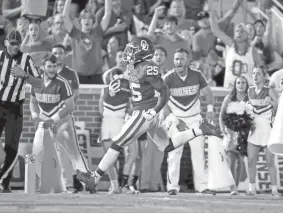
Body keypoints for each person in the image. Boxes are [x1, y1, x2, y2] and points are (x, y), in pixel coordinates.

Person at [76, 36, 223, 193]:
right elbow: (132, 78)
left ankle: (94, 179)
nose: (129, 53)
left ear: (142, 52)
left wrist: (154, 111)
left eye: (133, 50)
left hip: (144, 112)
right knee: (167, 145)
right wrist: (119, 82)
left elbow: (164, 92)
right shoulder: (134, 66)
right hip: (145, 112)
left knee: (116, 143)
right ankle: (200, 130)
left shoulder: (149, 67)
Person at [163, 48, 215, 195]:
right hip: (176, 119)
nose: (179, 62)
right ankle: (172, 187)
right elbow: (162, 104)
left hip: (195, 119)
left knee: (198, 153)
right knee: (174, 154)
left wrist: (210, 109)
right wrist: (175, 120)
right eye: (176, 59)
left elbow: (208, 93)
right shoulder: (168, 78)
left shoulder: (197, 75)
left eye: (182, 59)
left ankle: (203, 186)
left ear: (188, 60)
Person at [0, 29, 43, 193]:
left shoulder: (26, 59)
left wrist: (24, 75)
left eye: (18, 44)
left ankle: (4, 182)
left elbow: (40, 83)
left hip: (15, 108)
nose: (15, 47)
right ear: (6, 43)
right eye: (12, 44)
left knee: (12, 146)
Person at [29, 53, 75, 191]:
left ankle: (68, 185)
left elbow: (70, 106)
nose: (52, 69)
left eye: (54, 66)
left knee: (63, 152)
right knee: (37, 150)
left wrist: (53, 120)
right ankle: (38, 184)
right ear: (42, 67)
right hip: (44, 120)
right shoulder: (36, 81)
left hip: (61, 121)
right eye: (49, 66)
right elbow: (32, 101)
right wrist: (34, 114)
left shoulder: (63, 82)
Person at [51, 44, 88, 193]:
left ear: (65, 55)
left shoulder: (70, 74)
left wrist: (67, 108)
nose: (58, 56)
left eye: (60, 53)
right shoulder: (48, 72)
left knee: (73, 151)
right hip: (51, 117)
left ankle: (84, 181)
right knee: (60, 151)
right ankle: (69, 184)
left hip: (65, 116)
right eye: (55, 53)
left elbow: (76, 93)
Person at [63, 0, 112, 84]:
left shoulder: (98, 33)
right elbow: (65, 16)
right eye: (84, 18)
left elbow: (107, 14)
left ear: (93, 21)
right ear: (80, 21)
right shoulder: (75, 34)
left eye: (90, 18)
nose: (87, 20)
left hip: (96, 76)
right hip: (78, 76)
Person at [246, 66, 278, 196]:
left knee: (270, 161)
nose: (255, 76)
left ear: (264, 76)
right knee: (251, 160)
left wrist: (272, 102)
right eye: (253, 73)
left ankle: (274, 190)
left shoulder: (269, 90)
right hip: (254, 130)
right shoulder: (250, 90)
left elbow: (277, 109)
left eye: (258, 74)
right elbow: (248, 108)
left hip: (267, 130)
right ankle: (251, 188)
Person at [99, 67, 130, 194]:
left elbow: (130, 109)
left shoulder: (128, 92)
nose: (117, 79)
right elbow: (101, 110)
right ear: (110, 78)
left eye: (119, 77)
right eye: (114, 77)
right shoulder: (105, 90)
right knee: (109, 158)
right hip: (109, 125)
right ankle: (116, 185)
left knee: (130, 154)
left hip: (120, 124)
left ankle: (125, 185)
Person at [219, 76, 249, 195]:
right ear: (235, 85)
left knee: (240, 162)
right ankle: (232, 188)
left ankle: (235, 187)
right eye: (238, 83)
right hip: (230, 133)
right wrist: (223, 130)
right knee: (232, 162)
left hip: (243, 135)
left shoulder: (249, 99)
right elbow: (221, 117)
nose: (241, 85)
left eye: (243, 83)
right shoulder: (229, 98)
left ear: (246, 85)